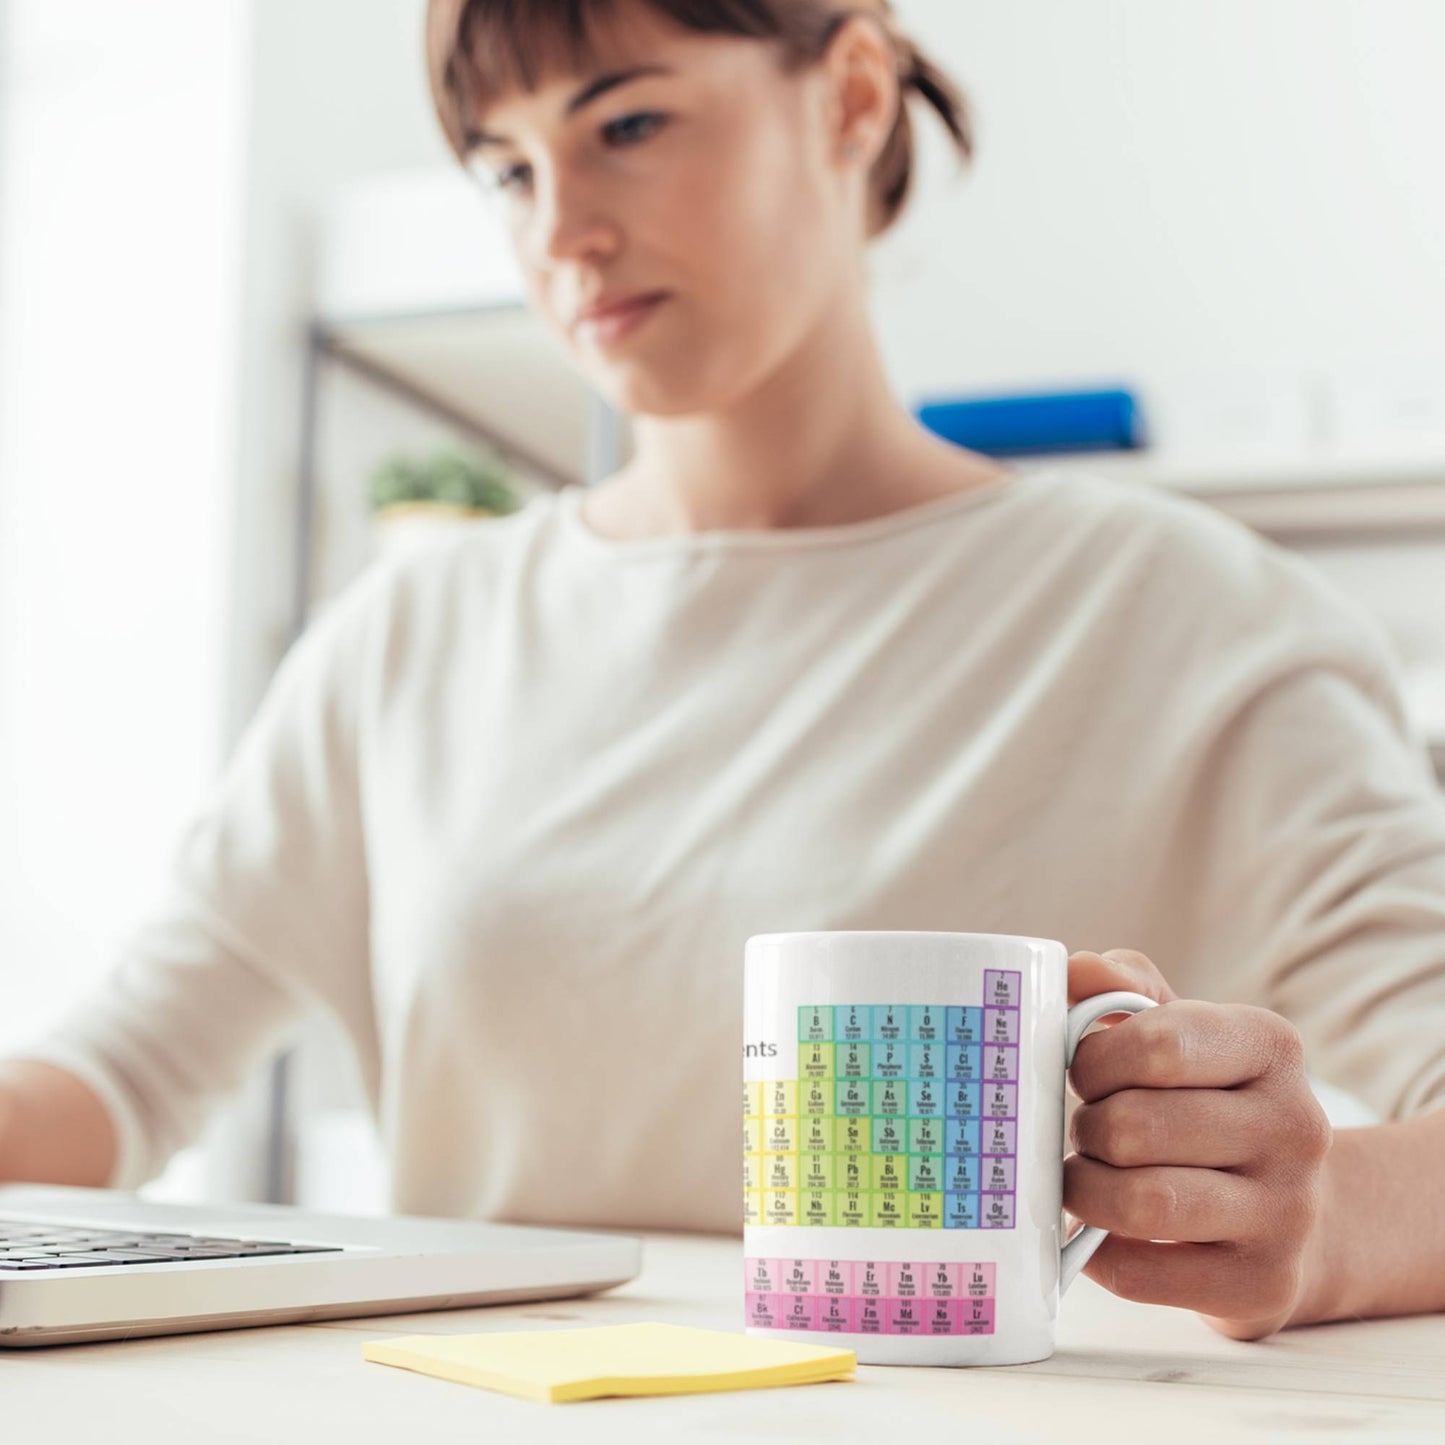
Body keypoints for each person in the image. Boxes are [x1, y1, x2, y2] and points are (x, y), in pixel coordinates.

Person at [2, 0, 1443, 1345]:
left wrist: (1318, 1229)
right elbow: (115, 1077)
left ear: (853, 96)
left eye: (626, 124)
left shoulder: (1193, 617)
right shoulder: (406, 636)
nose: (560, 229)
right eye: (507, 168)